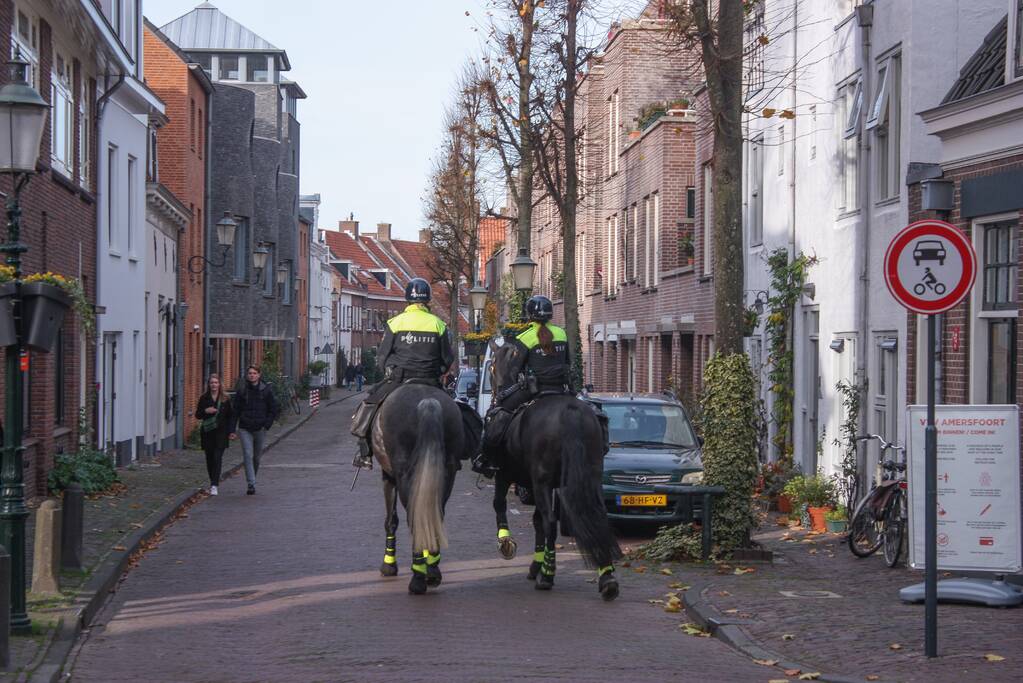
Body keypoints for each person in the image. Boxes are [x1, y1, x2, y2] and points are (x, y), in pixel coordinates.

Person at [350, 278, 454, 468]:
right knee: (456, 410)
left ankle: (364, 453)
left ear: (407, 299)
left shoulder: (395, 323)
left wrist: (387, 372)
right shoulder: (438, 324)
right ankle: (458, 455)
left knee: (370, 403)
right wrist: (438, 371)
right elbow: (448, 358)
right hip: (430, 380)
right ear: (427, 300)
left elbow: (382, 357)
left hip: (399, 379)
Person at [474, 295, 571, 478]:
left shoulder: (525, 337)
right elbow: (568, 362)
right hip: (561, 390)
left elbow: (513, 371)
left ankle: (487, 459)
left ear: (530, 315)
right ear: (550, 314)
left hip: (534, 391)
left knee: (499, 414)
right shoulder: (562, 334)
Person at [229, 365, 280, 495]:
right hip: (245, 428)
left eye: (254, 373)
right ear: (247, 375)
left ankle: (252, 478)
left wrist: (267, 424)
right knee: (248, 454)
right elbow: (235, 411)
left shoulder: (266, 390)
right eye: (250, 373)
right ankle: (251, 483)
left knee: (256, 458)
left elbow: (273, 409)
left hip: (260, 428)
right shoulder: (242, 390)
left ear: (259, 375)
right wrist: (232, 430)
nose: (252, 375)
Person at [194, 373, 234, 496]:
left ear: (220, 384)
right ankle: (213, 480)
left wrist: (231, 431)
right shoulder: (204, 398)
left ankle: (214, 485)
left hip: (221, 433)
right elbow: (198, 415)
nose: (214, 385)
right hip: (208, 432)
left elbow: (230, 416)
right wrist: (206, 411)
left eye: (216, 382)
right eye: (212, 383)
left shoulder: (225, 399)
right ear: (208, 384)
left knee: (217, 457)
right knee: (210, 458)